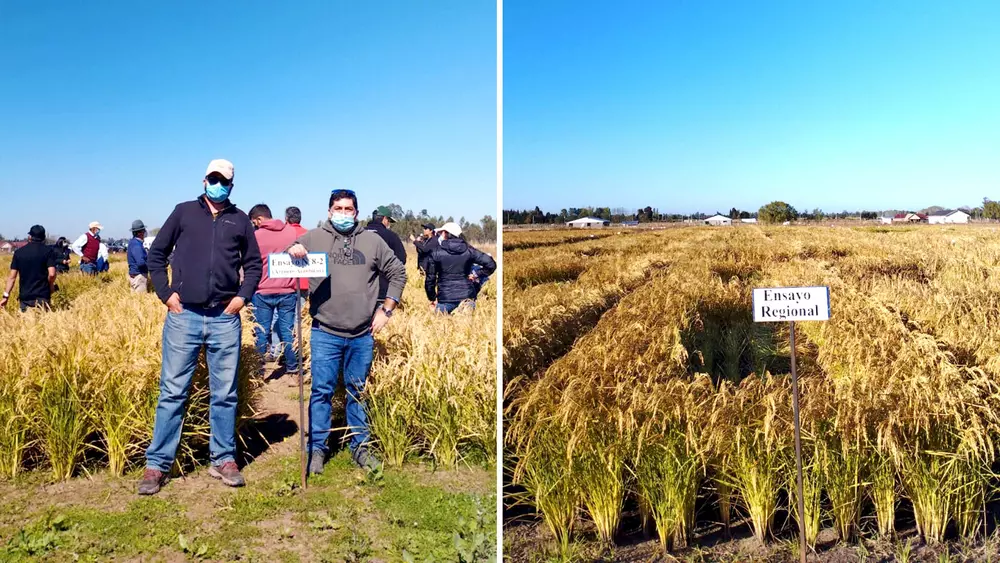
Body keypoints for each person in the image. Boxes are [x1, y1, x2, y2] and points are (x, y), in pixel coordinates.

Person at [138, 158, 262, 496]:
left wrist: (241, 299)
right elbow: (157, 255)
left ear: (232, 185)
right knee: (172, 392)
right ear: (204, 179)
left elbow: (253, 264)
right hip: (184, 316)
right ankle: (157, 464)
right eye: (213, 178)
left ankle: (223, 459)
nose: (217, 183)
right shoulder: (183, 212)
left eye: (223, 180)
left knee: (225, 394)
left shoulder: (240, 220)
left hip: (224, 318)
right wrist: (165, 294)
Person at [287, 189, 406, 474]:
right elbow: (287, 253)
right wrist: (293, 249)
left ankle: (360, 447)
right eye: (338, 208)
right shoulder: (314, 237)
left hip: (361, 334)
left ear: (356, 212)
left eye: (348, 209)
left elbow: (398, 273)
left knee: (358, 391)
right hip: (325, 331)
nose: (343, 213)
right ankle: (317, 449)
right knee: (321, 392)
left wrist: (386, 310)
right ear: (329, 211)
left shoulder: (373, 241)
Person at [249, 204, 299, 380]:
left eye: (254, 222)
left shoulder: (255, 236)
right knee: (287, 331)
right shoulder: (290, 233)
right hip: (288, 290)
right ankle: (293, 370)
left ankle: (258, 372)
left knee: (261, 332)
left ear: (259, 219)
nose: (254, 225)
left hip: (262, 291)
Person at [425, 222, 496, 314]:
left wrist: (432, 298)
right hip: (467, 297)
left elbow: (430, 279)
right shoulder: (469, 250)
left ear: (445, 233)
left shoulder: (436, 252)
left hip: (445, 299)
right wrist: (476, 274)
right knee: (468, 327)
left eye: (441, 232)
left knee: (442, 326)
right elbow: (491, 264)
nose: (440, 235)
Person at [1, 225, 56, 312]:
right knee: (44, 322)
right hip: (43, 295)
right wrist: (50, 285)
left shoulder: (19, 253)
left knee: (25, 323)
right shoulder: (48, 251)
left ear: (30, 237)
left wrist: (5, 296)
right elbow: (52, 274)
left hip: (25, 297)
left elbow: (12, 278)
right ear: (44, 238)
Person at [365, 205, 407, 306]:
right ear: (384, 219)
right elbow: (401, 260)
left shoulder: (358, 234)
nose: (389, 224)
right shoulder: (391, 236)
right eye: (389, 221)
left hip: (358, 292)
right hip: (382, 290)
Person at [127, 220, 149, 293]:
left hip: (134, 275)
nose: (145, 232)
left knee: (134, 302)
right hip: (139, 277)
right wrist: (150, 267)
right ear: (140, 233)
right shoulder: (136, 245)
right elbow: (141, 263)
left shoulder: (132, 243)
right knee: (140, 299)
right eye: (144, 231)